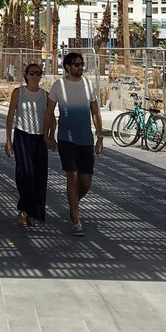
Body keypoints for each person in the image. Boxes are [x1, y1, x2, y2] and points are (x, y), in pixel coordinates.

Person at [49, 51, 104, 237]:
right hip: (67, 138)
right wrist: (49, 135)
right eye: (77, 64)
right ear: (68, 67)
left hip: (86, 139)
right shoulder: (58, 86)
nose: (81, 67)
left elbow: (95, 112)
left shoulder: (88, 85)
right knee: (72, 176)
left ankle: (73, 204)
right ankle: (76, 219)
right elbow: (49, 112)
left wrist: (100, 137)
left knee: (86, 181)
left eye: (82, 64)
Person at [5, 62, 55, 227]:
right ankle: (23, 210)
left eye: (38, 74)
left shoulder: (45, 95)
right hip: (22, 136)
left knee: (39, 176)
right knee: (25, 173)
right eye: (32, 73)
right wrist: (8, 140)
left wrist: (51, 136)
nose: (35, 76)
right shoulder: (18, 92)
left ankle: (33, 213)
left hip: (39, 138)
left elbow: (51, 119)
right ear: (26, 75)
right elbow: (10, 117)